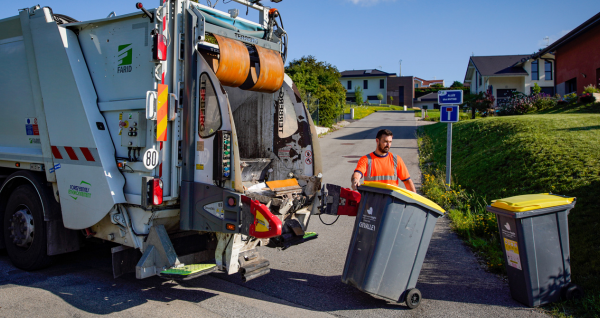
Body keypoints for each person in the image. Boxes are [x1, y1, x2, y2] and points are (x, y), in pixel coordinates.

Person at [351, 129, 416, 192]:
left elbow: (407, 181)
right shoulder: (366, 159)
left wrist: (415, 200)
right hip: (371, 199)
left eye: (390, 142)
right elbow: (358, 173)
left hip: (391, 200)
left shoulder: (396, 159)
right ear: (377, 140)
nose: (388, 145)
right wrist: (355, 180)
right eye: (385, 141)